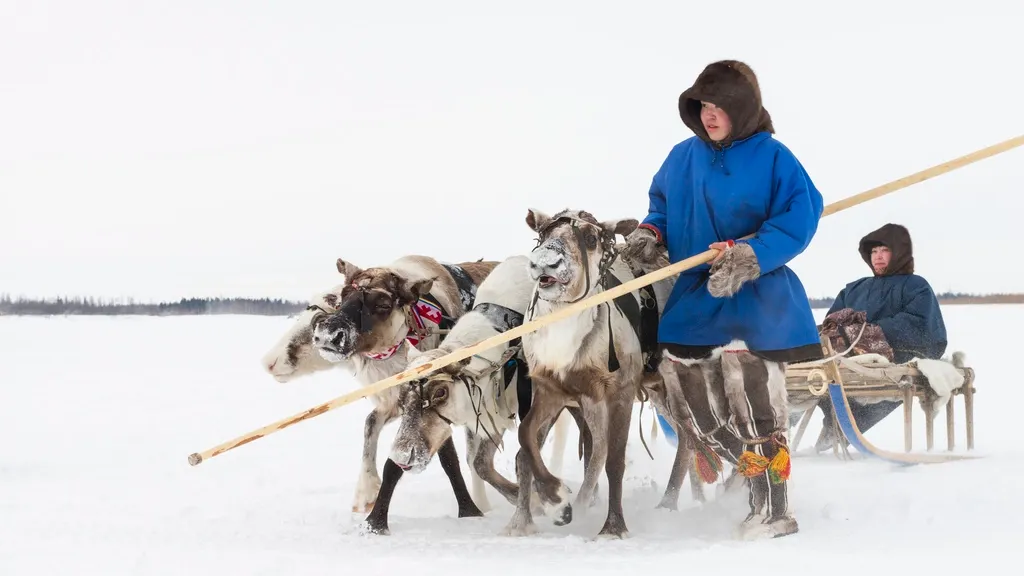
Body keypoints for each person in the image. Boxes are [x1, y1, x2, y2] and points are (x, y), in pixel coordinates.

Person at [622, 59, 823, 540]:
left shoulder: (775, 158)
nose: (709, 116)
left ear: (744, 109)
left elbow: (800, 216)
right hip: (696, 297)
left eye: (720, 107)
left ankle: (775, 510)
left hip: (757, 296)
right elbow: (662, 208)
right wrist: (651, 233)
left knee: (754, 400)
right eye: (703, 107)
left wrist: (753, 253)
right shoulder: (681, 156)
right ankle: (754, 473)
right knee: (697, 414)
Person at [813, 223, 948, 450]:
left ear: (899, 252)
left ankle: (842, 429)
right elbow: (832, 323)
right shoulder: (855, 288)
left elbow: (920, 325)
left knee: (877, 375)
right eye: (874, 252)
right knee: (812, 350)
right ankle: (829, 425)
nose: (878, 257)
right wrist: (842, 332)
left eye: (885, 250)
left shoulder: (917, 286)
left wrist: (868, 333)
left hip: (896, 356)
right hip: (844, 360)